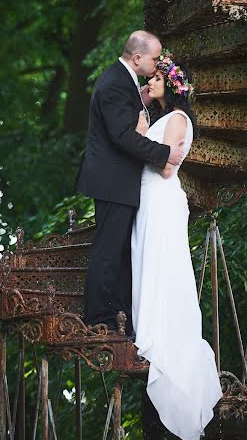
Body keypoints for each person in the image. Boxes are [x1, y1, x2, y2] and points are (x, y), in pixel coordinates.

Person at [131, 52, 222, 440]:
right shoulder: (157, 117)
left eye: (153, 80)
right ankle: (148, 330)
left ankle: (165, 347)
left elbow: (167, 166)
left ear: (171, 83)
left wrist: (137, 136)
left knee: (162, 269)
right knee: (147, 267)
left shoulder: (179, 119)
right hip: (146, 201)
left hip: (161, 200)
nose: (147, 84)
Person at [75, 31, 185, 336]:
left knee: (121, 253)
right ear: (137, 58)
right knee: (108, 251)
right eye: (154, 58)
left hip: (119, 182)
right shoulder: (114, 84)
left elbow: (128, 121)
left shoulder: (122, 81)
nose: (157, 64)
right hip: (112, 181)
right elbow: (122, 136)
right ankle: (98, 317)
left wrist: (142, 101)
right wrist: (165, 153)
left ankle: (123, 318)